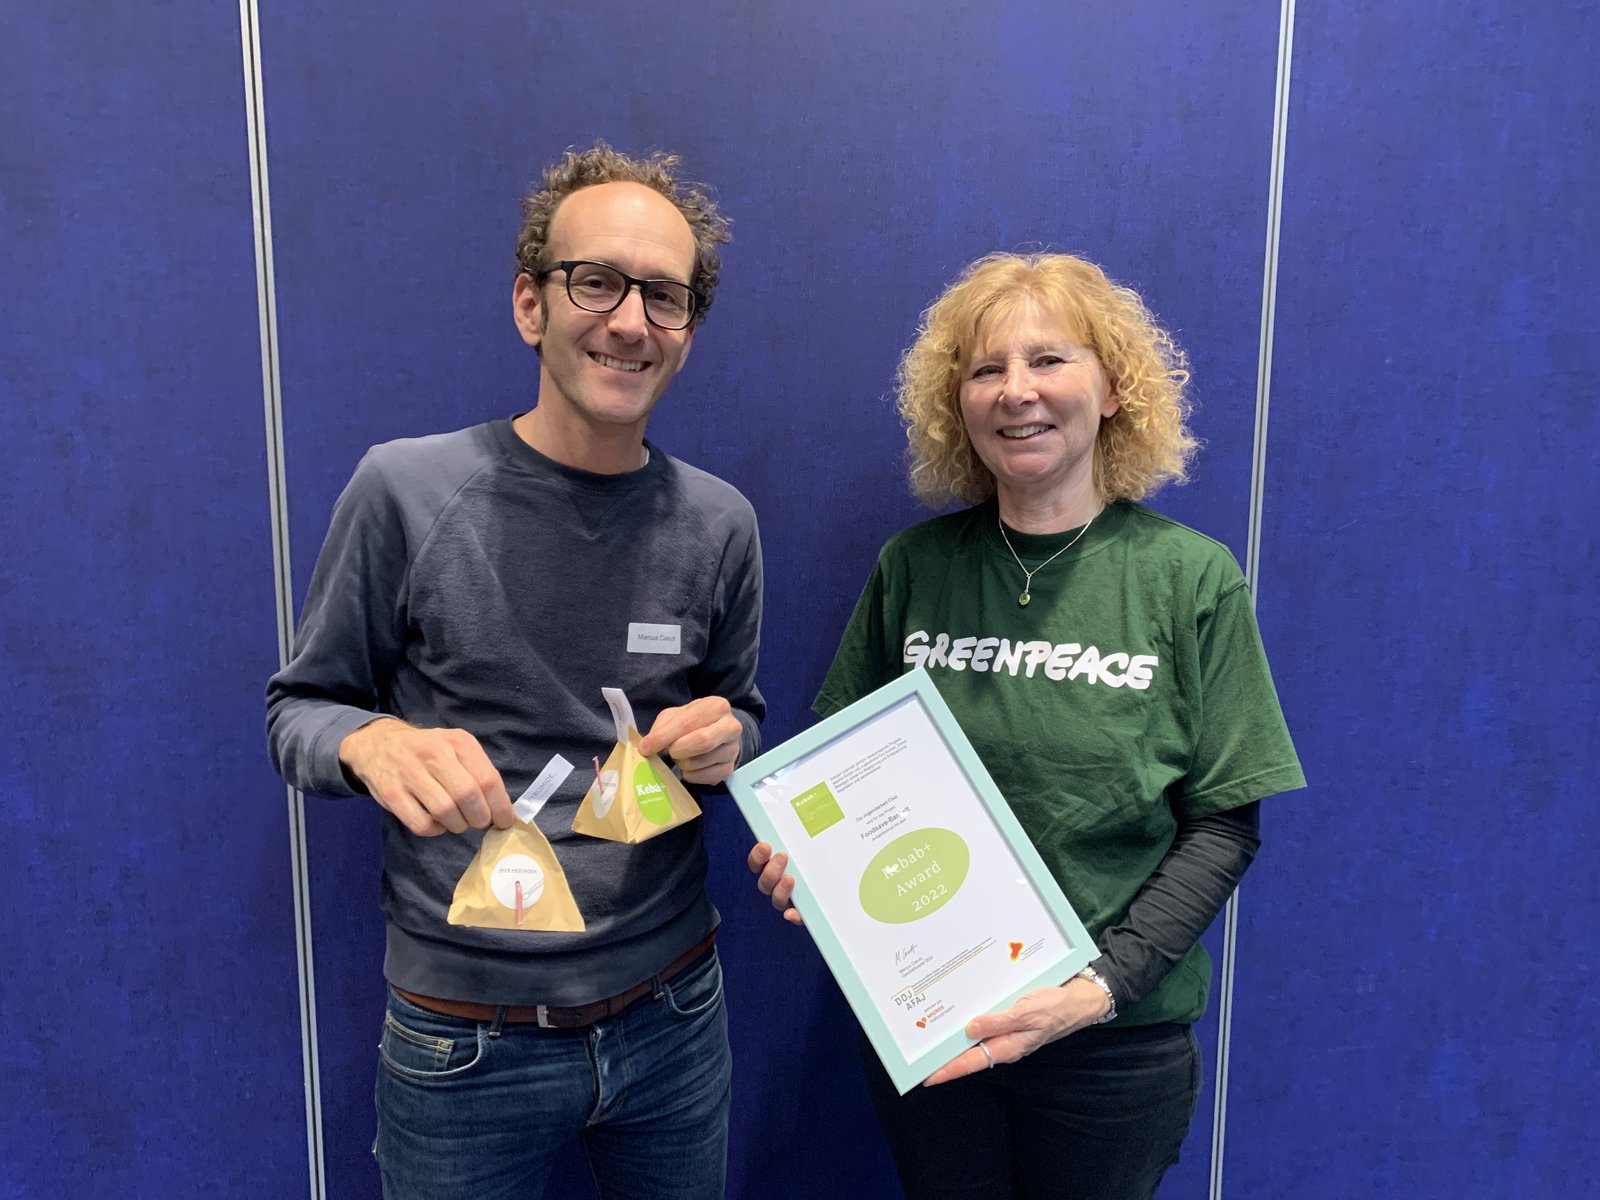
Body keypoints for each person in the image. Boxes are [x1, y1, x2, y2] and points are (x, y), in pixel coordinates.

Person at [750, 252, 1304, 1199]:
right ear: (956, 405)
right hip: (935, 1025)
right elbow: (836, 776)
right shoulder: (914, 566)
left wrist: (1097, 989)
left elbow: (1225, 823)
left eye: (1049, 360)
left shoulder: (1190, 579)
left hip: (1112, 1045)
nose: (1017, 391)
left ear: (1114, 388)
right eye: (986, 369)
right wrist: (806, 858)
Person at [267, 142, 763, 1200]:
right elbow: (299, 711)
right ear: (530, 305)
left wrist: (727, 746)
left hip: (676, 1016)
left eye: (664, 296)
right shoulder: (404, 489)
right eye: (596, 281)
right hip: (463, 1045)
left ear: (686, 330)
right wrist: (370, 741)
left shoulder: (721, 524)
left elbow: (743, 721)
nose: (630, 320)